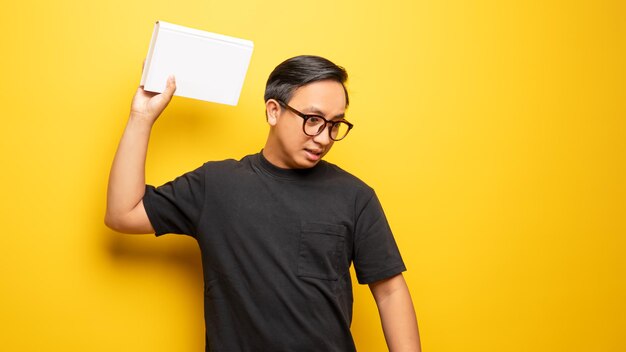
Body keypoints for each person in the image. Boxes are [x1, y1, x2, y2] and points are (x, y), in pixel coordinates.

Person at [105, 55, 421, 351]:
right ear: (273, 110)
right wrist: (141, 117)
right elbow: (123, 213)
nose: (324, 138)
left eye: (334, 124)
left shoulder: (354, 196)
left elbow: (391, 292)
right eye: (313, 120)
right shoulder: (215, 185)